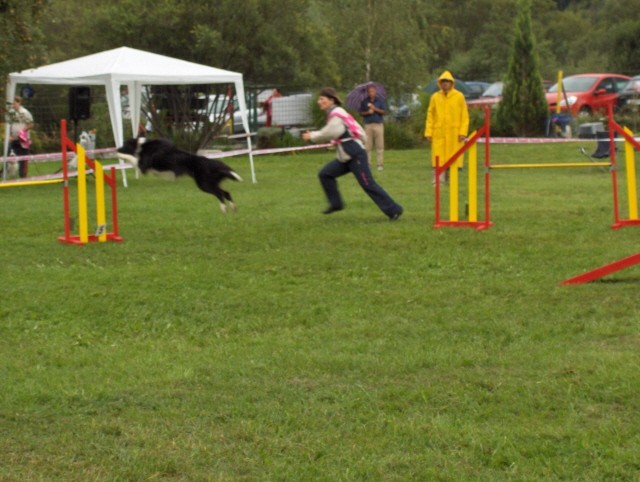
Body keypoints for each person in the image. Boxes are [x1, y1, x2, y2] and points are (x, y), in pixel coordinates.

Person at [302, 87, 403, 221]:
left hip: (355, 155)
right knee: (325, 174)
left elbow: (330, 132)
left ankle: (394, 210)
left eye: (322, 99)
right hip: (345, 156)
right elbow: (349, 131)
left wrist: (312, 136)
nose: (319, 101)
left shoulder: (337, 113)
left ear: (331, 100)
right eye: (319, 99)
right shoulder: (336, 113)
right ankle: (336, 204)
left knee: (368, 184)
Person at [424, 70, 469, 184]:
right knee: (438, 157)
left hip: (455, 133)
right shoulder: (435, 97)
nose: (445, 84)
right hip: (439, 132)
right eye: (443, 82)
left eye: (447, 82)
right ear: (440, 83)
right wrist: (428, 132)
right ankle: (438, 179)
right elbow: (430, 115)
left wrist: (463, 132)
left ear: (451, 83)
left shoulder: (459, 96)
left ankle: (451, 179)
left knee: (453, 156)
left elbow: (464, 115)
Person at [359, 83, 386, 171]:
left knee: (380, 145)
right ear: (368, 93)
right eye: (370, 92)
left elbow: (384, 112)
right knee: (367, 145)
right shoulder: (364, 101)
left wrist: (375, 109)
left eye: (373, 91)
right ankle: (368, 164)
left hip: (378, 124)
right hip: (368, 125)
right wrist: (368, 112)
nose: (371, 93)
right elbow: (361, 113)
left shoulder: (380, 100)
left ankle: (380, 164)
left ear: (375, 92)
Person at [7, 95, 34, 178]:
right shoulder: (11, 113)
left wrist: (23, 131)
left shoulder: (25, 112)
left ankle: (23, 176)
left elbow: (31, 124)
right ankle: (5, 173)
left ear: (19, 103)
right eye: (12, 104)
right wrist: (10, 135)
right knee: (8, 156)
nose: (13, 105)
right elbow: (9, 125)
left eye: (14, 103)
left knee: (23, 159)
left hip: (23, 140)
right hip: (13, 139)